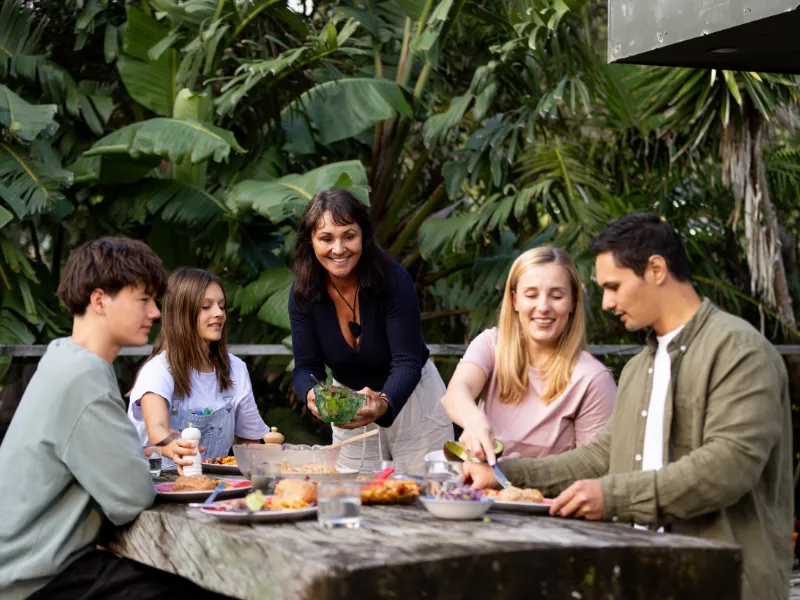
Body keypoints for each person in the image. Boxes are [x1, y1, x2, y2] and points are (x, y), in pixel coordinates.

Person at [463, 213, 793, 600]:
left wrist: (613, 498)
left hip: (725, 582)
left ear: (655, 269)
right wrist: (503, 473)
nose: (606, 303)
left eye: (614, 286)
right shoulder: (640, 368)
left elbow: (728, 466)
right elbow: (602, 455)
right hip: (643, 575)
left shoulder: (740, 351)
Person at [0, 237, 228, 600]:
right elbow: (132, 498)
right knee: (209, 586)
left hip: (33, 564)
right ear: (99, 300)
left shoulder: (65, 359)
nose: (155, 312)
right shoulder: (82, 379)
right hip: (34, 578)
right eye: (144, 300)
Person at [289, 189, 454, 474]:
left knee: (424, 492)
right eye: (326, 238)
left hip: (415, 399)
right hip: (347, 406)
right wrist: (311, 395)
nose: (338, 249)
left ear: (363, 236)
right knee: (354, 497)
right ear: (311, 242)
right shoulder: (303, 293)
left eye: (349, 236)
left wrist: (383, 403)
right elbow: (306, 367)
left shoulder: (394, 280)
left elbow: (407, 361)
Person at [442, 246, 616, 463]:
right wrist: (475, 421)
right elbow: (456, 392)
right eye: (531, 295)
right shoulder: (491, 344)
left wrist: (518, 474)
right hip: (479, 490)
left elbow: (593, 468)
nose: (543, 307)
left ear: (573, 302)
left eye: (556, 296)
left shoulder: (593, 379)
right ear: (515, 301)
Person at [128, 268, 268, 472]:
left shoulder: (236, 369)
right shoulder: (158, 370)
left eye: (221, 306)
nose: (219, 313)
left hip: (216, 488)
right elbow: (156, 427)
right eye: (206, 307)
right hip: (158, 487)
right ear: (181, 314)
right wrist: (171, 446)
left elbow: (250, 443)